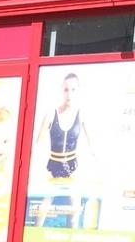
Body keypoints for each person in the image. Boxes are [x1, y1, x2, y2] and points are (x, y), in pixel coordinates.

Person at [32, 71, 96, 227]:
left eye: (73, 90)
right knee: (43, 209)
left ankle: (71, 239)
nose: (69, 94)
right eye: (66, 90)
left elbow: (92, 145)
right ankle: (34, 235)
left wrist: (92, 170)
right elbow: (37, 144)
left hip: (73, 167)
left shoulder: (82, 114)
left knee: (74, 211)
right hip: (53, 166)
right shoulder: (51, 113)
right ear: (62, 90)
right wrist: (39, 170)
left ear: (78, 91)